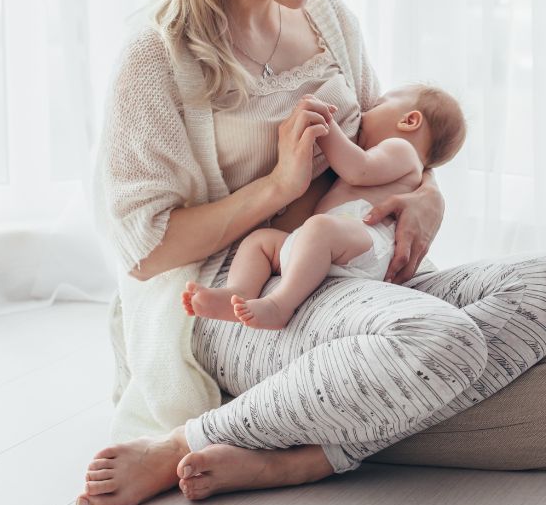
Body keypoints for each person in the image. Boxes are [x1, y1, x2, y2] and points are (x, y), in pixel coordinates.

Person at [78, 0, 546, 505]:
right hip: (243, 293)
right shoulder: (157, 54)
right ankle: (183, 445)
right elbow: (146, 253)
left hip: (354, 271)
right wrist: (278, 187)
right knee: (441, 340)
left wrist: (428, 195)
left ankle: (313, 457)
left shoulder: (328, 20)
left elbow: (390, 139)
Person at [181, 83, 467, 330]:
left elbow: (357, 169)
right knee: (260, 241)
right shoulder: (403, 163)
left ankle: (280, 305)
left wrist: (326, 127)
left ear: (409, 120)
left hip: (365, 245)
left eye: (378, 105)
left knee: (319, 228)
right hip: (324, 247)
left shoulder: (402, 150)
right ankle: (238, 292)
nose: (364, 113)